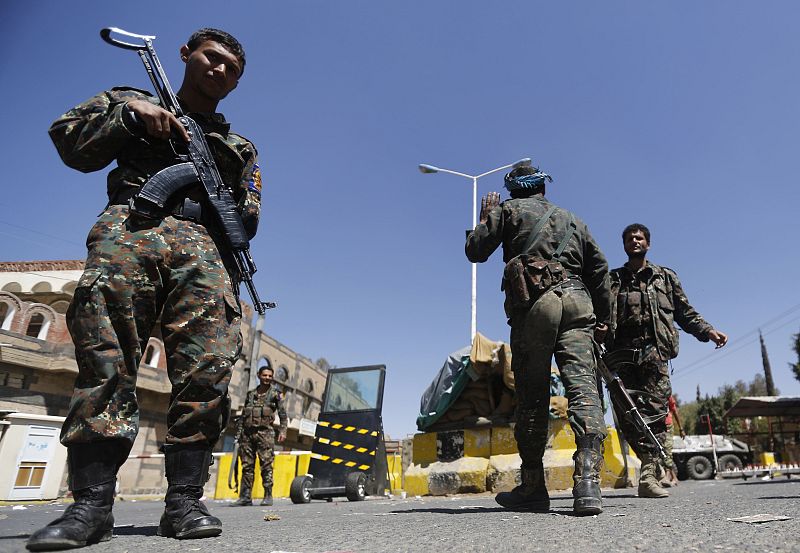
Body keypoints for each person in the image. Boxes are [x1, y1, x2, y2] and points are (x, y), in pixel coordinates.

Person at [28, 28, 260, 551]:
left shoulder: (240, 147)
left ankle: (184, 502)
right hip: (130, 230)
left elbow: (248, 217)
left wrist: (222, 200)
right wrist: (130, 117)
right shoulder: (130, 98)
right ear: (186, 55)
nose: (220, 71)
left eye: (232, 69)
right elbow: (70, 141)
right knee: (105, 358)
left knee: (206, 372)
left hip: (204, 250)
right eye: (212, 58)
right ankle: (90, 507)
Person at [466, 165, 612, 515]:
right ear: (543, 189)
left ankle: (532, 487)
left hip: (536, 306)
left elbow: (476, 250)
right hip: (579, 303)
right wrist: (605, 319)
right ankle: (588, 484)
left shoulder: (508, 210)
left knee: (532, 398)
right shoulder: (574, 219)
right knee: (584, 392)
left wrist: (485, 218)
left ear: (514, 189)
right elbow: (601, 270)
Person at [606, 223, 727, 499]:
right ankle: (651, 463)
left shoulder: (665, 277)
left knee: (657, 416)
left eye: (639, 238)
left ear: (647, 244)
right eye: (629, 238)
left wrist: (707, 330)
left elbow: (684, 311)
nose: (635, 241)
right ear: (624, 245)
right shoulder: (612, 279)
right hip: (621, 357)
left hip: (655, 355)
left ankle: (649, 472)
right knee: (627, 416)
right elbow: (600, 313)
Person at [231, 365, 288, 506]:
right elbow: (245, 414)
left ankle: (268, 495)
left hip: (265, 434)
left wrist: (283, 431)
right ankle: (245, 497)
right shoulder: (250, 394)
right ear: (258, 375)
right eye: (265, 375)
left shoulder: (275, 394)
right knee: (247, 466)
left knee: (266, 465)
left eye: (270, 376)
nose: (267, 378)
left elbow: (283, 415)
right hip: (247, 434)